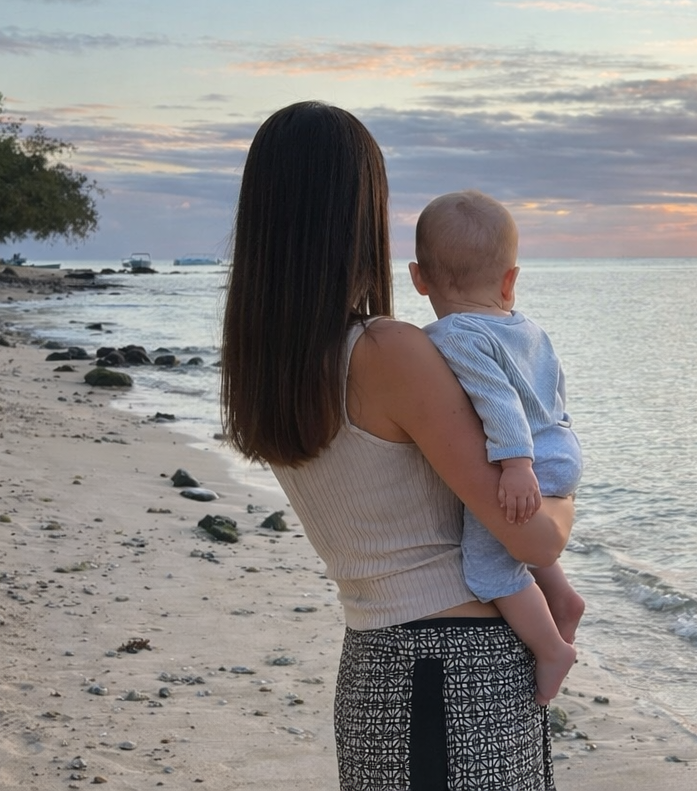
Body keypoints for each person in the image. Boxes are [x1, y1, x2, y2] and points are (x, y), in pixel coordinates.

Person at [220, 102, 573, 791]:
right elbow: (533, 537)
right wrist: (564, 487)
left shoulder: (271, 367)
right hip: (456, 670)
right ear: (359, 216)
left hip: (375, 666)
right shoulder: (388, 352)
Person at [411, 190, 586, 705]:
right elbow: (555, 390)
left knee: (488, 570)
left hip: (525, 459)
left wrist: (516, 465)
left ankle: (551, 649)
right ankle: (563, 597)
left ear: (419, 278)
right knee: (516, 536)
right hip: (560, 446)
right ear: (510, 280)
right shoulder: (528, 328)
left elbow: (499, 403)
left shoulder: (453, 335)